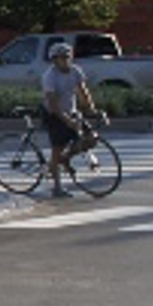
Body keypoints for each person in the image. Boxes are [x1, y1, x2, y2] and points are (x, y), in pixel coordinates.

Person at [40, 40, 98, 197]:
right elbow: (52, 104)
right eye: (61, 58)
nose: (65, 60)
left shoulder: (75, 71)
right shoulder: (50, 77)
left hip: (70, 110)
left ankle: (64, 159)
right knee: (57, 148)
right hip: (54, 113)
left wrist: (92, 109)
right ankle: (57, 187)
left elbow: (83, 91)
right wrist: (66, 120)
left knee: (91, 138)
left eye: (67, 57)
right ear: (54, 60)